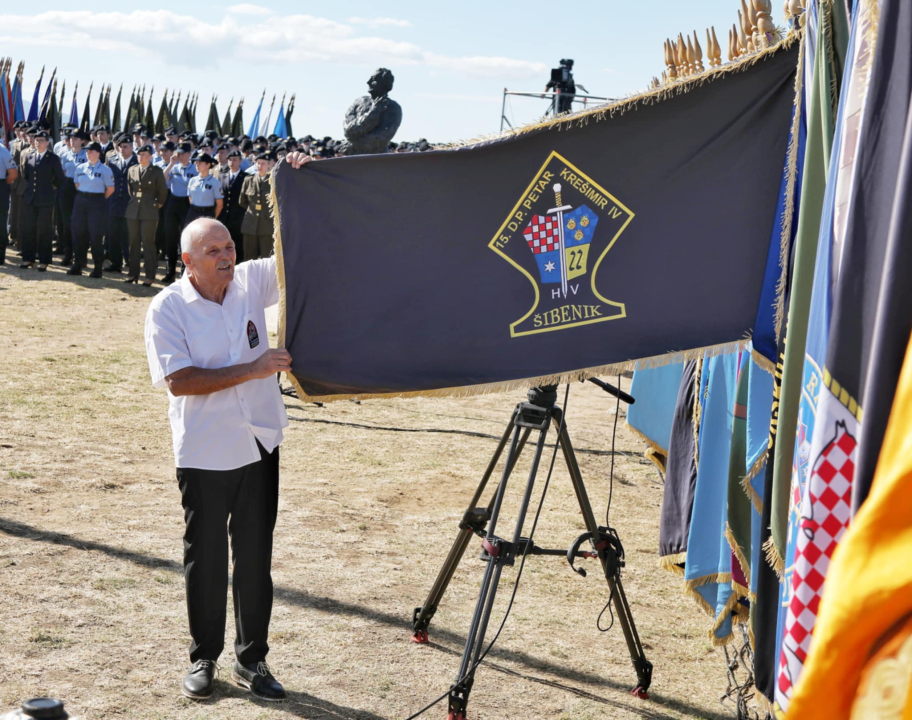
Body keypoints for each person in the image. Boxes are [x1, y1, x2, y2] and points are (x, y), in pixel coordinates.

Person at [144, 217, 300, 702]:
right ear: (188, 261)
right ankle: (204, 657)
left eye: (229, 246)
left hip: (260, 442)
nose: (226, 256)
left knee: (255, 556)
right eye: (212, 251)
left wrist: (301, 187)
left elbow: (299, 256)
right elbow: (181, 381)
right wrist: (252, 369)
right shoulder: (167, 308)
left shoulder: (250, 280)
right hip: (206, 450)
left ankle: (252, 659)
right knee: (207, 558)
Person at [19, 131, 65, 271]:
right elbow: (26, 176)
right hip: (31, 198)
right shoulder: (29, 156)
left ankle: (44, 260)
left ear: (47, 142)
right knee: (29, 228)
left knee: (44, 230)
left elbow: (59, 178)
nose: (38, 142)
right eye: (36, 140)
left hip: (45, 199)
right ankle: (28, 258)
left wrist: (50, 188)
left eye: (41, 140)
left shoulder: (53, 158)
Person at [125, 144, 168, 286]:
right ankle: (133, 273)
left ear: (150, 156)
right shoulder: (132, 169)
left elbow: (162, 193)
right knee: (133, 242)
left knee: (148, 243)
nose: (141, 157)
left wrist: (155, 206)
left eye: (144, 155)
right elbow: (131, 190)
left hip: (149, 211)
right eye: (139, 154)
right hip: (133, 211)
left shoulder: (156, 171)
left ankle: (150, 275)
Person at [69, 141, 115, 277]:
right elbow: (77, 184)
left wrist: (98, 199)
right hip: (81, 200)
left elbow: (110, 189)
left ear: (98, 153)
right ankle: (78, 264)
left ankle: (97, 267)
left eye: (91, 151)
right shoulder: (80, 167)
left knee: (96, 236)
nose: (88, 154)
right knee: (78, 233)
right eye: (87, 151)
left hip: (97, 202)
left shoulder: (105, 170)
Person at [162, 142, 197, 284]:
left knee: (185, 239)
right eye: (179, 153)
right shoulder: (174, 167)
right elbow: (163, 177)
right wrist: (171, 163)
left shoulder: (194, 169)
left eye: (183, 153)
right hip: (173, 202)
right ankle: (170, 272)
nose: (180, 156)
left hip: (187, 204)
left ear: (189, 154)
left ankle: (184, 273)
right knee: (170, 237)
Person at [105, 136, 138, 273]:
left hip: (130, 204)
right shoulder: (112, 161)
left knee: (129, 236)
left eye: (125, 147)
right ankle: (115, 263)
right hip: (114, 202)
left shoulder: (137, 162)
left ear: (131, 147)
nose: (122, 149)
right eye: (120, 147)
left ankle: (131, 263)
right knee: (113, 235)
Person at [59, 129, 89, 267]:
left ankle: (81, 257)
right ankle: (68, 254)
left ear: (82, 141)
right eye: (71, 138)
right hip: (67, 188)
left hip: (82, 188)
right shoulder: (65, 154)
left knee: (81, 224)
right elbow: (63, 171)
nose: (72, 140)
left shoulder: (87, 154)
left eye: (76, 138)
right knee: (67, 224)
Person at [239, 153, 274, 260]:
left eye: (263, 163)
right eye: (258, 163)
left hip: (267, 225)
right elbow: (242, 201)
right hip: (250, 224)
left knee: (267, 258)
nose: (260, 166)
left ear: (269, 165)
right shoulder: (248, 180)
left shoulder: (273, 181)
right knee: (249, 257)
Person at [219, 149, 246, 263]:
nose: (231, 162)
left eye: (235, 160)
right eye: (230, 160)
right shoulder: (222, 176)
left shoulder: (246, 177)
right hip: (224, 217)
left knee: (238, 246)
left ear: (240, 161)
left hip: (238, 218)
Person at [185, 152, 223, 225]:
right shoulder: (192, 180)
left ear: (208, 165)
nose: (197, 165)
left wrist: (213, 218)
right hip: (193, 212)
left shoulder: (215, 182)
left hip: (207, 213)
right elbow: (190, 198)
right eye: (196, 163)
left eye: (200, 163)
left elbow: (220, 205)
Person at [0, 138, 19, 264]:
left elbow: (13, 173)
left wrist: (3, 184)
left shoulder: (2, 150)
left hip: (1, 186)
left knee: (0, 221)